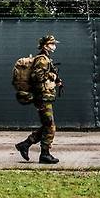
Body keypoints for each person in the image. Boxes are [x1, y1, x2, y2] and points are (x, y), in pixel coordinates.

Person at [15, 35, 64, 164]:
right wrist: (52, 76)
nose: (54, 46)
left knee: (47, 125)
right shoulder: (42, 59)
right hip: (41, 96)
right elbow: (37, 77)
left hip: (44, 96)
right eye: (52, 43)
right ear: (45, 45)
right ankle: (45, 154)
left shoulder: (46, 58)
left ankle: (25, 144)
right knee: (50, 126)